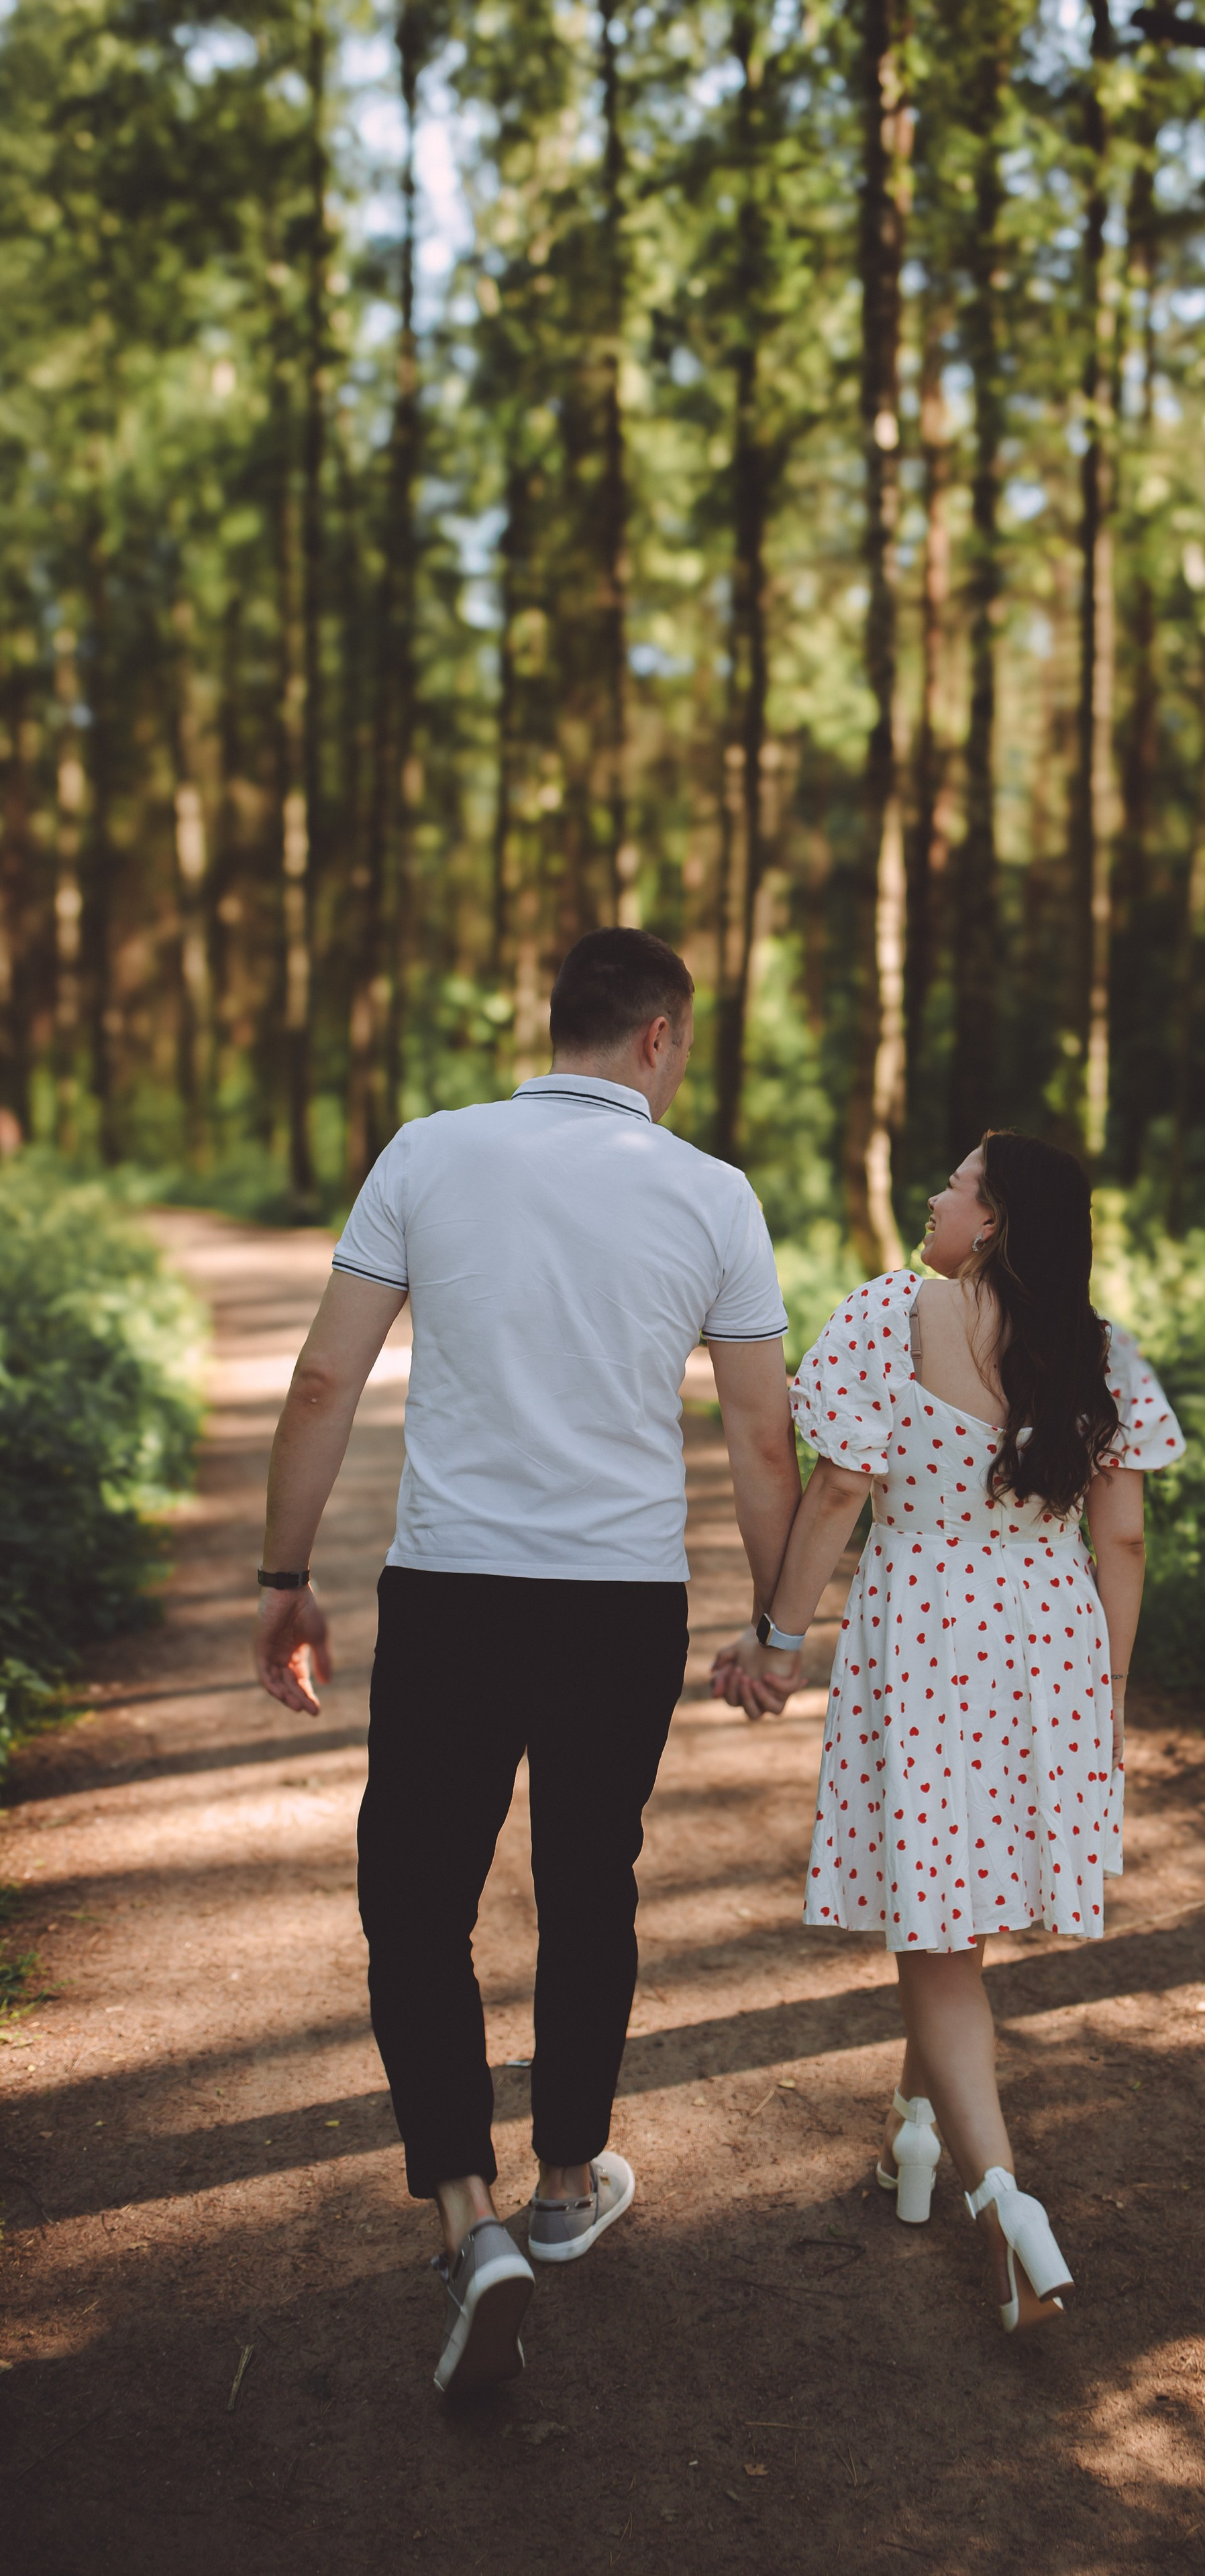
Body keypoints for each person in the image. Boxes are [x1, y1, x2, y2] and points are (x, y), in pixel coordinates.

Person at [254, 928, 801, 2396]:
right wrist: (770, 1624)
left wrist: (286, 1579)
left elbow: (324, 1379)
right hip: (616, 1601)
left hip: (451, 1591)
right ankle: (566, 2184)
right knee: (587, 1883)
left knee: (416, 1898)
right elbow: (759, 1437)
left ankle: (464, 2216)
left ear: (553, 1025)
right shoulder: (712, 1195)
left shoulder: (428, 1154)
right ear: (660, 1039)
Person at [713, 1130, 1182, 2332]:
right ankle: (914, 2135)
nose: (935, 1195)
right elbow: (1120, 1541)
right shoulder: (1103, 1355)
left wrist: (778, 1637)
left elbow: (834, 1490)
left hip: (924, 1626)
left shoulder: (891, 1315)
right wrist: (1108, 1695)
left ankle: (1004, 2200)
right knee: (952, 1907)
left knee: (936, 1926)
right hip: (1049, 1634)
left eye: (958, 1183)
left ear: (997, 1222)